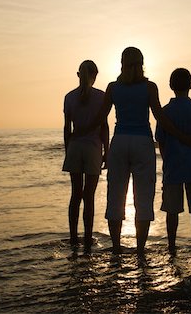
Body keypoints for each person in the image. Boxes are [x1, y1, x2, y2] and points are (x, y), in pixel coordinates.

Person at [81, 47, 191, 256]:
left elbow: (100, 119)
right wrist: (183, 136)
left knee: (115, 195)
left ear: (122, 63)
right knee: (143, 197)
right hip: (143, 143)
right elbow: (160, 118)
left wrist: (79, 132)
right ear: (142, 63)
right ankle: (139, 251)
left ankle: (117, 248)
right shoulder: (149, 87)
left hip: (119, 143)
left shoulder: (113, 87)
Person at [155, 68, 191, 255]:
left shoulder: (165, 112)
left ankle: (171, 247)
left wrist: (167, 161)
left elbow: (161, 142)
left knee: (172, 211)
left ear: (171, 86)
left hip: (173, 167)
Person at [63, 60, 109, 252]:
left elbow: (67, 128)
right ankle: (88, 238)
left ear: (78, 75)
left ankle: (73, 238)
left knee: (76, 194)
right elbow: (104, 126)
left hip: (75, 147)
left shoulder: (69, 97)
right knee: (88, 196)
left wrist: (68, 150)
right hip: (92, 148)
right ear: (95, 76)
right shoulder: (101, 97)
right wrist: (107, 150)